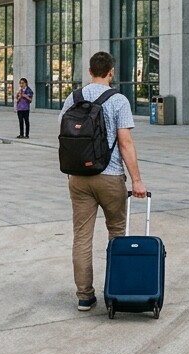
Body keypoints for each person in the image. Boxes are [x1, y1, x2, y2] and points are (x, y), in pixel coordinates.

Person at [59, 51, 147, 312]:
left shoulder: (72, 98)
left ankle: (84, 296)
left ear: (89, 71)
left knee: (82, 237)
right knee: (117, 232)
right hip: (109, 177)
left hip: (78, 178)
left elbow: (63, 135)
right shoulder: (118, 100)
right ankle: (116, 290)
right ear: (111, 72)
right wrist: (137, 181)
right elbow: (125, 143)